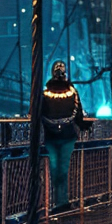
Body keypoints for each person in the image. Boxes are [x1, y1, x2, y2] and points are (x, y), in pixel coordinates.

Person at [40, 61, 89, 213]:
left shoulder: (45, 92)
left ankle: (59, 201)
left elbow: (39, 112)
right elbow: (78, 112)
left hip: (52, 135)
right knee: (61, 168)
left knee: (57, 168)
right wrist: (85, 126)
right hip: (67, 135)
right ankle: (61, 201)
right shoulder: (72, 92)